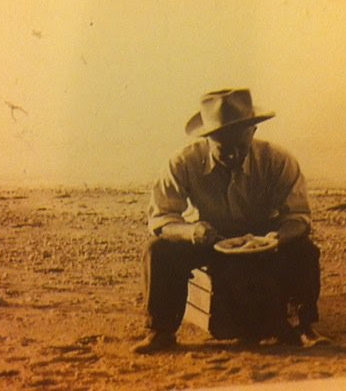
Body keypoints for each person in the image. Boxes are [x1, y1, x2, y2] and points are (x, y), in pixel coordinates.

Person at [133, 88, 327, 354]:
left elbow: (299, 216)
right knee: (158, 250)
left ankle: (303, 327)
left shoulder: (277, 160)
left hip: (262, 236)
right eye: (224, 149)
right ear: (208, 139)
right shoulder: (183, 162)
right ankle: (161, 331)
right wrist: (191, 231)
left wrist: (276, 238)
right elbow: (161, 218)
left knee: (303, 250)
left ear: (253, 132)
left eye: (241, 147)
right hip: (208, 236)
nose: (234, 155)